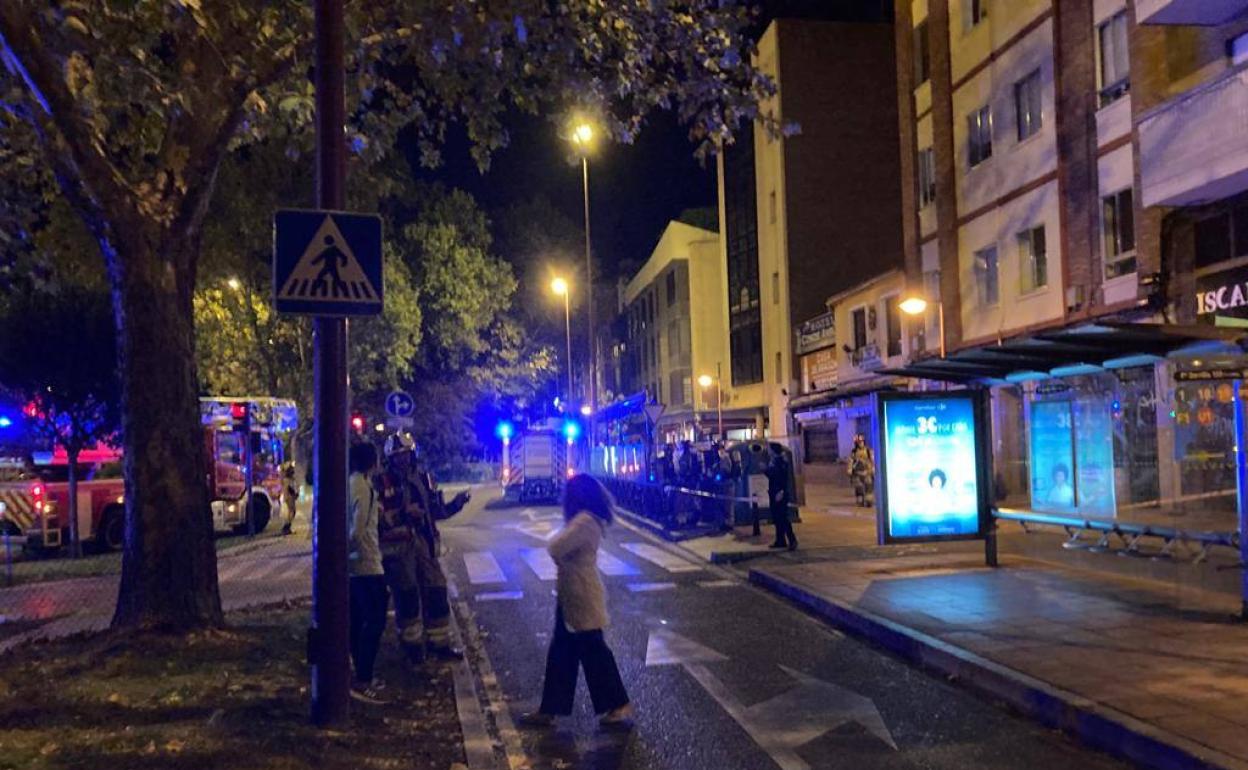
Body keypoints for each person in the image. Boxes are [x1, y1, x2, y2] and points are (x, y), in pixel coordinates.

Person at [519, 475, 633, 730]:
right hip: (573, 593)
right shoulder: (587, 520)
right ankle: (550, 708)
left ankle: (618, 704)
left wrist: (559, 547)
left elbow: (556, 547)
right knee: (563, 653)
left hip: (581, 594)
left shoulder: (584, 521)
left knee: (593, 651)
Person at [376, 432, 429, 664]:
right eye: (398, 456)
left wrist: (456, 504)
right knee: (406, 597)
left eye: (406, 455)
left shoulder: (421, 478)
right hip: (396, 549)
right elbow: (377, 519)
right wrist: (402, 514)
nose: (403, 460)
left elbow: (433, 510)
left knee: (435, 588)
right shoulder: (381, 482)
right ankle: (411, 649)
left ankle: (439, 643)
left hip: (419, 542)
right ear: (390, 458)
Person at [348, 442, 388, 704]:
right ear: (372, 463)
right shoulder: (364, 487)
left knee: (357, 620)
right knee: (374, 620)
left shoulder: (349, 483)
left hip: (353, 566)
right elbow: (358, 530)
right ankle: (364, 677)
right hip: (367, 564)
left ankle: (358, 673)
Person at [766, 444, 797, 551]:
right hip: (774, 491)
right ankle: (780, 540)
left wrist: (781, 491)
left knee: (782, 518)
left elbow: (780, 477)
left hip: (779, 492)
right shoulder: (775, 461)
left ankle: (792, 540)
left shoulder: (779, 461)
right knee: (777, 518)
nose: (768, 451)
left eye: (769, 449)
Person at [848, 435, 875, 508]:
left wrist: (873, 469)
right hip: (857, 473)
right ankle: (860, 500)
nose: (860, 443)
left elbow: (872, 461)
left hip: (867, 472)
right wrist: (849, 470)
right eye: (858, 442)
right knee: (858, 487)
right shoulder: (854, 452)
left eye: (861, 442)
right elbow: (851, 461)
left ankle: (869, 501)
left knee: (868, 486)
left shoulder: (868, 451)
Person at [280, 460, 299, 536]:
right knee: (291, 512)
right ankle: (286, 528)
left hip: (289, 497)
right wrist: (295, 494)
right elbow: (290, 489)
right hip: (289, 497)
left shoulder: (287, 479)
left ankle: (287, 528)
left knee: (291, 512)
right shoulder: (288, 480)